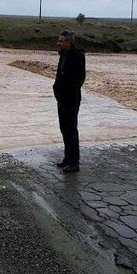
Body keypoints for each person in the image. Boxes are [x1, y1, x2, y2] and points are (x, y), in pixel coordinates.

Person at [53, 30, 85, 173]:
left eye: (61, 41)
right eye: (58, 40)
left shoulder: (77, 56)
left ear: (69, 41)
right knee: (64, 129)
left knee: (71, 130)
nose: (58, 43)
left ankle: (74, 162)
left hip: (71, 100)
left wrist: (68, 97)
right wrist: (57, 92)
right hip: (61, 99)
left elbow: (79, 79)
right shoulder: (63, 55)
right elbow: (60, 76)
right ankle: (67, 158)